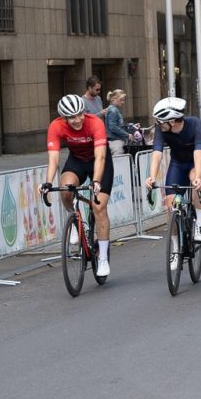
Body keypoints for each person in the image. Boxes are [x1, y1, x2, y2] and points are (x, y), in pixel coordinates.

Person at [41, 94, 113, 278]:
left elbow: (101, 157)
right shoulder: (56, 126)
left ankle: (103, 257)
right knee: (65, 190)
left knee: (99, 207)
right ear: (63, 118)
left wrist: (96, 181)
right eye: (72, 117)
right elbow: (54, 159)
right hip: (77, 161)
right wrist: (48, 183)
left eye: (80, 114)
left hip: (99, 161)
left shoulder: (95, 123)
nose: (77, 119)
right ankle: (74, 221)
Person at [144, 97, 201, 266]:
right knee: (171, 202)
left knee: (194, 180)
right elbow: (157, 154)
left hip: (200, 160)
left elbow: (198, 154)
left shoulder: (196, 125)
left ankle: (200, 222)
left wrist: (198, 177)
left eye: (160, 121)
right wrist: (152, 176)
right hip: (178, 163)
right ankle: (174, 248)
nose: (158, 124)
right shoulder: (162, 129)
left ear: (172, 121)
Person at [104, 89, 130, 155]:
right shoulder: (113, 110)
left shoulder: (113, 109)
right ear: (114, 99)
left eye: (123, 100)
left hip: (115, 141)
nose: (123, 102)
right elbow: (113, 127)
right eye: (121, 100)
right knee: (118, 162)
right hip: (115, 142)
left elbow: (116, 125)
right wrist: (127, 135)